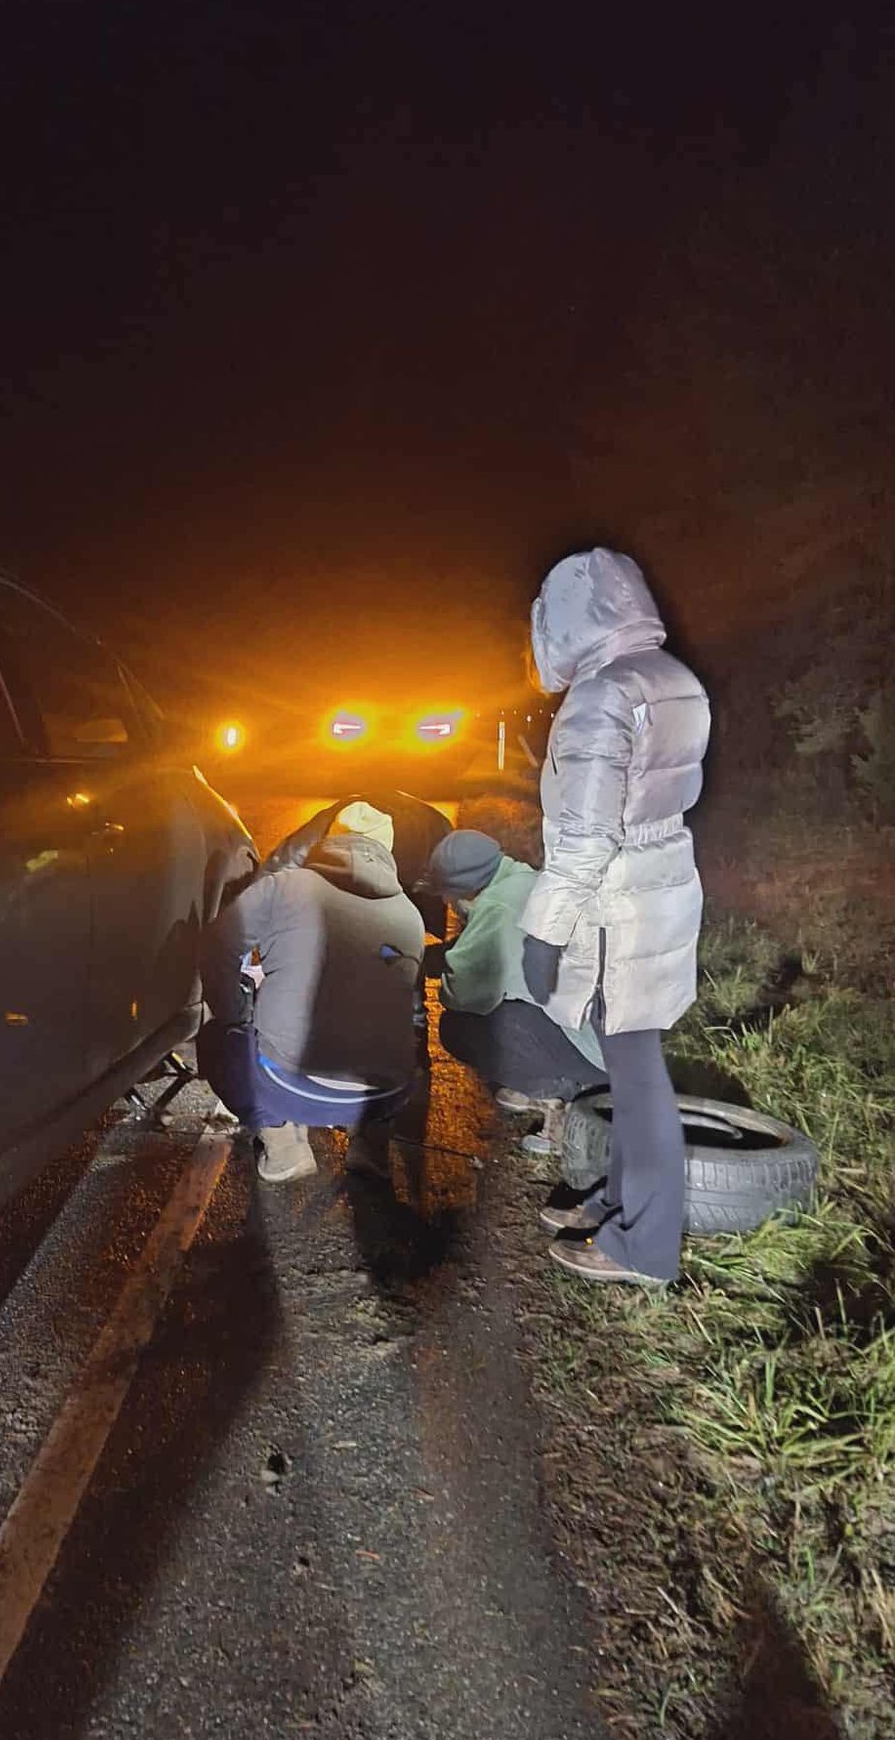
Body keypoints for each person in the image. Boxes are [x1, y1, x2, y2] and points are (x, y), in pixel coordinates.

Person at [519, 548, 711, 1286]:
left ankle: (645, 1245)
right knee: (637, 1067)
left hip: (615, 915)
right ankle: (621, 1201)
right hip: (661, 890)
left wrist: (545, 928)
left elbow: (586, 838)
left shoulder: (601, 696)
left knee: (637, 1077)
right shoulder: (673, 679)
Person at [198, 799, 426, 1182]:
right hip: (387, 1094)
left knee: (217, 1038)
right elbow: (411, 1004)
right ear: (387, 852)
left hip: (292, 1088)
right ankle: (369, 1143)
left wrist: (237, 1011)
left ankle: (282, 1143)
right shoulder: (410, 914)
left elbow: (219, 946)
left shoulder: (285, 887)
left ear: (331, 842)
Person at [426, 828, 605, 1154]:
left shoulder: (497, 906)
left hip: (593, 1053)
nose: (446, 902)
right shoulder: (528, 881)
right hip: (614, 1035)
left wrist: (439, 970)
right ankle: (561, 1083)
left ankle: (563, 1094)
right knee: (512, 1003)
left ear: (466, 887)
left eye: (448, 893)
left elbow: (464, 993)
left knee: (460, 1025)